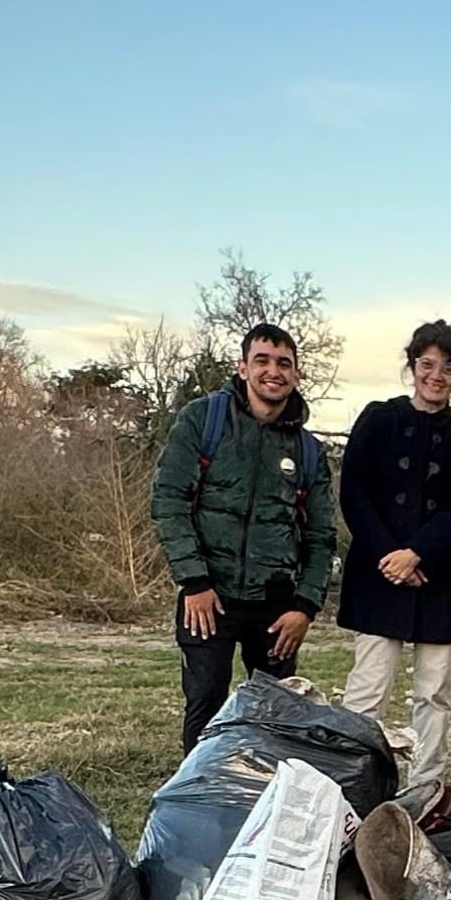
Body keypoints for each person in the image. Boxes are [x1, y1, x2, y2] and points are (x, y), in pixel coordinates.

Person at [149, 322, 336, 752]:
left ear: (297, 374)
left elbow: (321, 534)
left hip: (275, 605)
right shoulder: (203, 420)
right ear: (243, 367)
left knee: (277, 711)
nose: (274, 371)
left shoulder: (307, 450)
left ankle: (262, 801)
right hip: (209, 598)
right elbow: (169, 501)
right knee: (206, 703)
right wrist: (193, 582)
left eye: (284, 363)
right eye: (263, 360)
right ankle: (198, 801)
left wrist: (305, 607)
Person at [338, 321, 451, 797]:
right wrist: (391, 555)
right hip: (380, 574)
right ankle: (357, 785)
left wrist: (418, 552)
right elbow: (354, 491)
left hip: (439, 579)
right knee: (367, 690)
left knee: (434, 693)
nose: (436, 375)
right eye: (427, 364)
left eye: (448, 367)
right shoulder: (378, 419)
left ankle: (427, 788)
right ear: (412, 366)